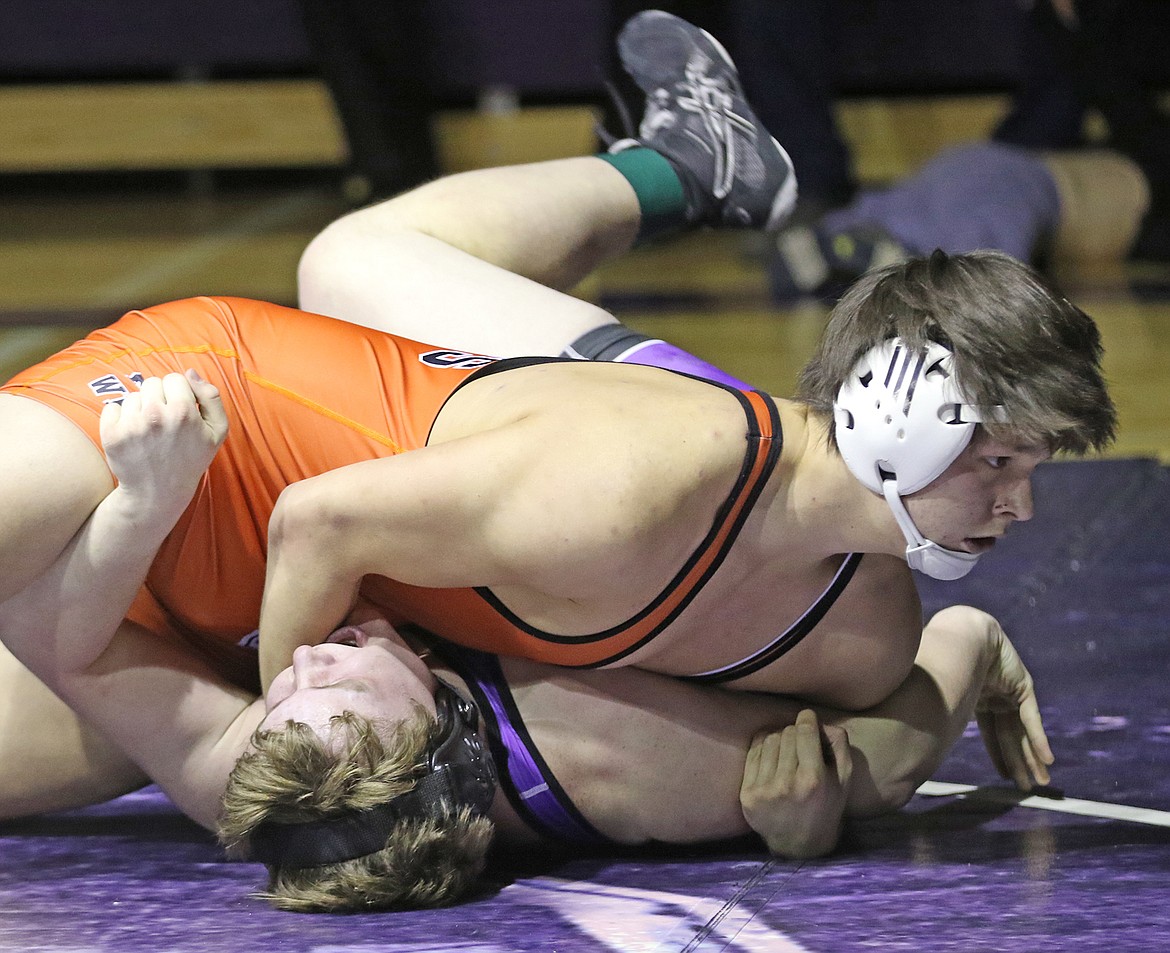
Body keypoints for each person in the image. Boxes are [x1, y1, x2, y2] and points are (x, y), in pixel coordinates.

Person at [0, 8, 1094, 908]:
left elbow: (68, 636)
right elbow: (876, 756)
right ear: (436, 723)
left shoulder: (259, 761)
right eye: (1001, 462)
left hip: (222, 492)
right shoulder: (614, 708)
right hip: (313, 459)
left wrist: (148, 512)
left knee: (352, 267)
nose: (307, 667)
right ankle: (676, 166)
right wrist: (825, 799)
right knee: (352, 261)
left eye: (291, 684)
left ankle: (676, 166)